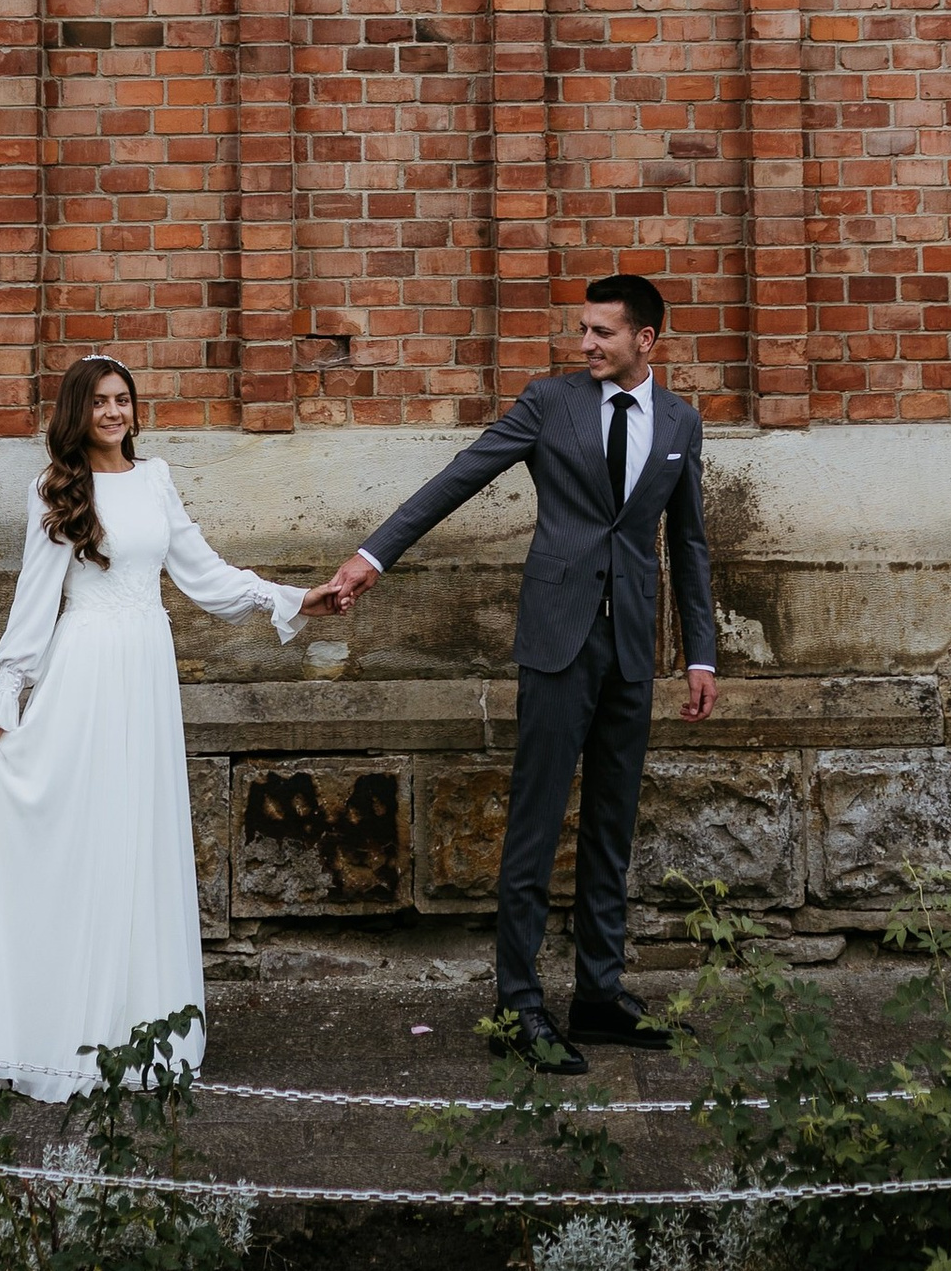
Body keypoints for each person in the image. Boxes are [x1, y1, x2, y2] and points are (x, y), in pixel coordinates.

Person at [307, 271, 716, 1072]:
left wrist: (698, 652)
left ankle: (599, 992)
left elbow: (690, 544)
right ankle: (518, 1003)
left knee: (612, 823)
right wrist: (369, 559)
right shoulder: (547, 402)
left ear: (647, 341)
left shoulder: (680, 423)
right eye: (584, 329)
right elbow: (459, 478)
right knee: (534, 824)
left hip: (633, 645)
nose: (586, 343)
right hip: (559, 641)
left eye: (603, 331)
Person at [0, 351, 305, 1099]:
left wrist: (286, 600)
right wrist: (2, 707)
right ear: (78, 413)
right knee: (86, 835)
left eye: (123, 399)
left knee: (137, 834)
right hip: (84, 673)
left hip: (145, 672)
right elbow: (35, 599)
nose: (114, 412)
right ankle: (60, 1029)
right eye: (101, 402)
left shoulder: (156, 479)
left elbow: (203, 574)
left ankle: (138, 1026)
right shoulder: (56, 489)